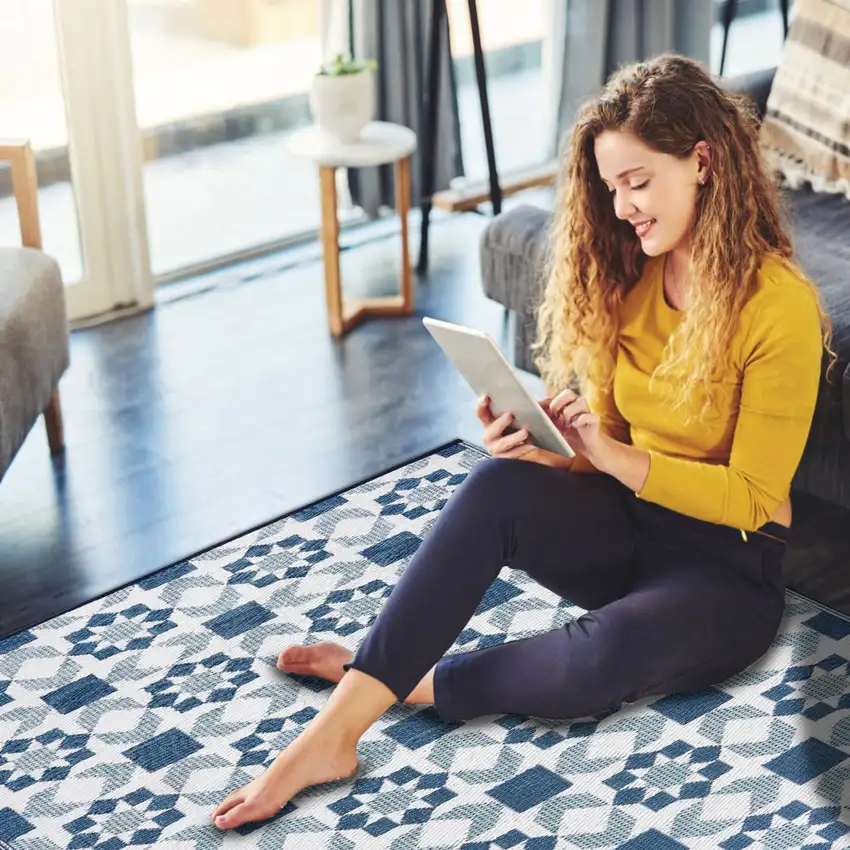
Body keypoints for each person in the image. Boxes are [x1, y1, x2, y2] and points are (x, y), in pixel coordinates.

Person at [211, 53, 834, 830]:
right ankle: (336, 732)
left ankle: (405, 677)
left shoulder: (777, 306)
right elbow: (604, 456)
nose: (623, 207)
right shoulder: (632, 278)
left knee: (596, 661)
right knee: (495, 486)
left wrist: (612, 458)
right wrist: (551, 449)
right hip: (633, 529)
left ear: (703, 162)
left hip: (727, 574)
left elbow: (749, 497)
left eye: (638, 182)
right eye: (611, 189)